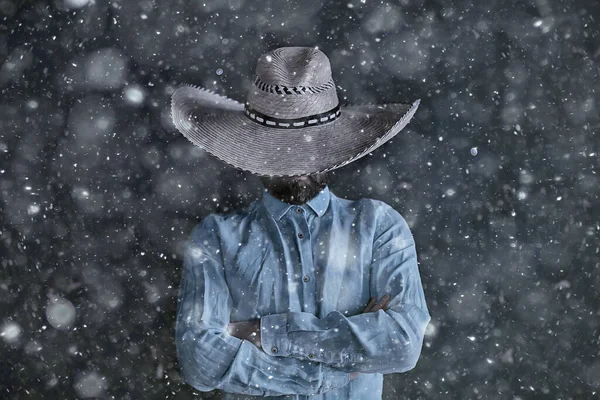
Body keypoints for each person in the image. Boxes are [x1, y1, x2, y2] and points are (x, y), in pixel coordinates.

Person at [171, 46, 430, 400]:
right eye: (281, 149)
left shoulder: (380, 228)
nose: (296, 165)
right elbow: (199, 360)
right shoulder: (215, 237)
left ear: (336, 149)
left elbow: (402, 344)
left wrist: (265, 334)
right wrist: (329, 369)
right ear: (253, 154)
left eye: (309, 150)